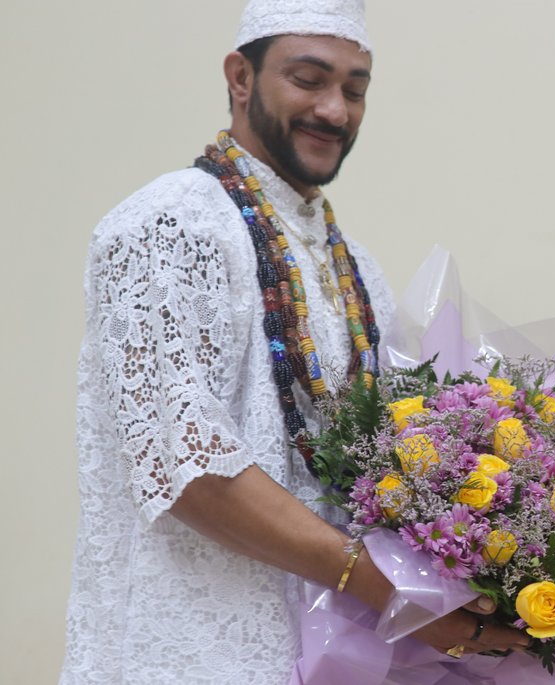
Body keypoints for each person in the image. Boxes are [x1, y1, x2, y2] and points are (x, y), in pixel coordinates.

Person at [60, 2, 527, 683]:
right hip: (183, 652)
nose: (334, 110)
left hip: (333, 659)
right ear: (240, 77)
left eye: (356, 89)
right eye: (308, 79)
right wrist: (385, 586)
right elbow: (189, 467)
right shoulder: (169, 223)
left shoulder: (354, 263)